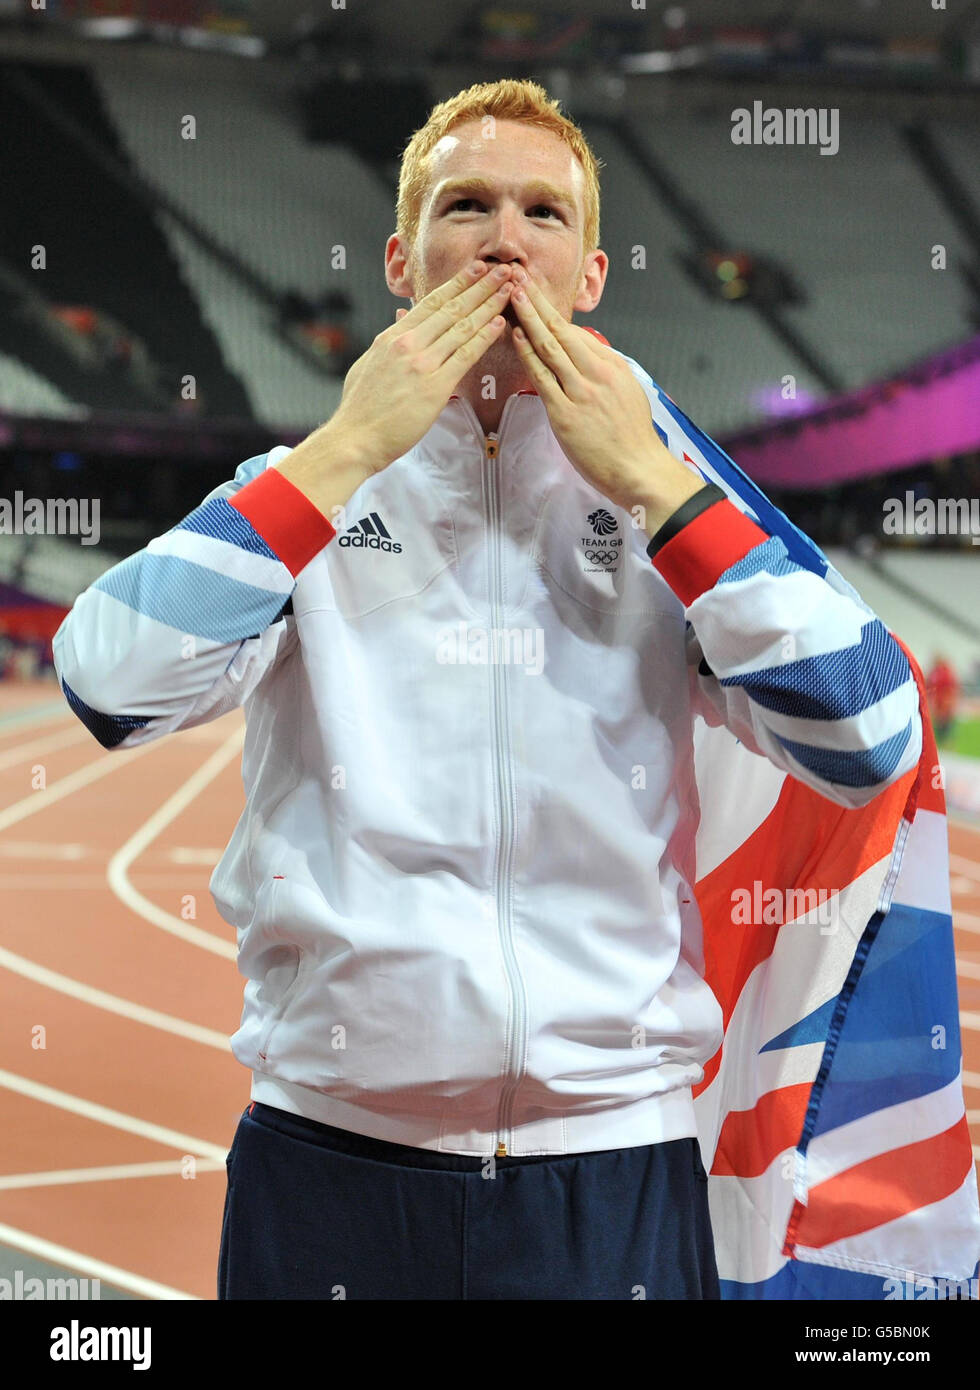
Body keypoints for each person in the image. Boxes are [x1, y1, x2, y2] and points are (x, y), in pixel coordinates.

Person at [52, 80, 923, 1301]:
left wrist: (658, 493)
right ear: (404, 263)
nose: (506, 238)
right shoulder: (301, 490)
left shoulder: (679, 508)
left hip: (612, 1167)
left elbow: (875, 740)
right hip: (333, 1159)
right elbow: (104, 680)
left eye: (543, 213)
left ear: (591, 275)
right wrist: (347, 448)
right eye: (467, 205)